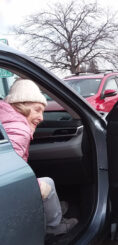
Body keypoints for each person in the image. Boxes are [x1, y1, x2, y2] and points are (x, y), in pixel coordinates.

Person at [0, 79, 78, 235]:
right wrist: (31, 186)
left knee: (45, 186)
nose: (42, 118)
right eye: (37, 110)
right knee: (47, 184)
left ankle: (50, 209)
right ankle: (54, 226)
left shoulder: (7, 120)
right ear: (22, 106)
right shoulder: (19, 129)